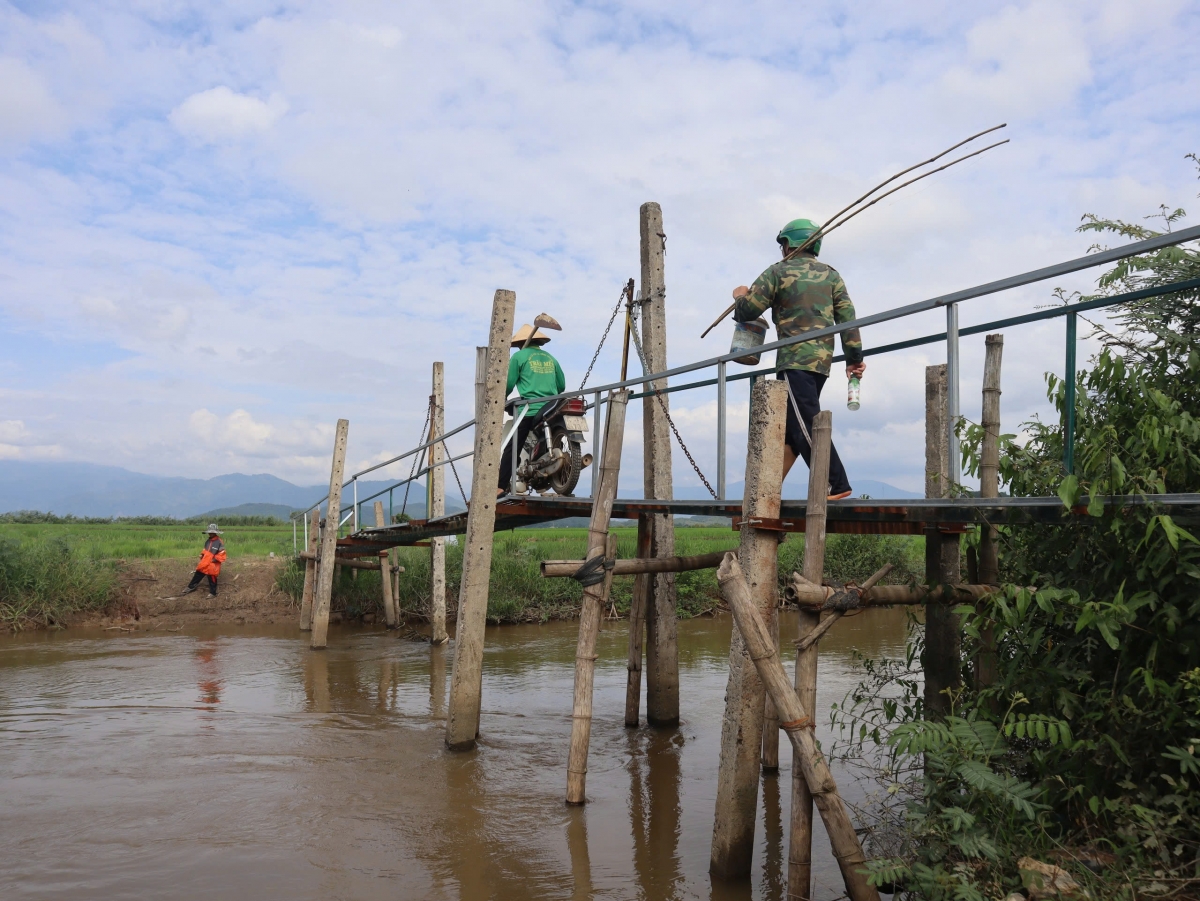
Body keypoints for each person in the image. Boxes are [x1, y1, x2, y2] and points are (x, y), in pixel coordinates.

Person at [732, 218, 866, 500]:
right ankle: (765, 493)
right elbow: (848, 321)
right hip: (821, 362)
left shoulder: (778, 272)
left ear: (787, 244)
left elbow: (747, 312)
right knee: (793, 430)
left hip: (794, 360)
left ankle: (836, 483)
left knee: (805, 422)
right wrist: (854, 359)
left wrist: (740, 295)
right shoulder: (831, 275)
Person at [498, 322, 566, 495]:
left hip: (530, 409)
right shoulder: (551, 358)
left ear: (520, 343)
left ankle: (500, 486)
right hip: (552, 407)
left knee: (512, 447)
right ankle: (544, 483)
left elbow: (508, 385)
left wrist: (500, 400)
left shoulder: (519, 357)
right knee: (548, 440)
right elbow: (561, 385)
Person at [182, 524, 226, 597]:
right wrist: (202, 555)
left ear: (215, 532)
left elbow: (222, 554)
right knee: (198, 573)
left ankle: (213, 593)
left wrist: (214, 559)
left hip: (213, 563)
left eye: (212, 532)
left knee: (212, 577)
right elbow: (205, 550)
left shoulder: (219, 542)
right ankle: (191, 587)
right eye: (209, 532)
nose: (210, 533)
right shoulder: (208, 541)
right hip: (205, 561)